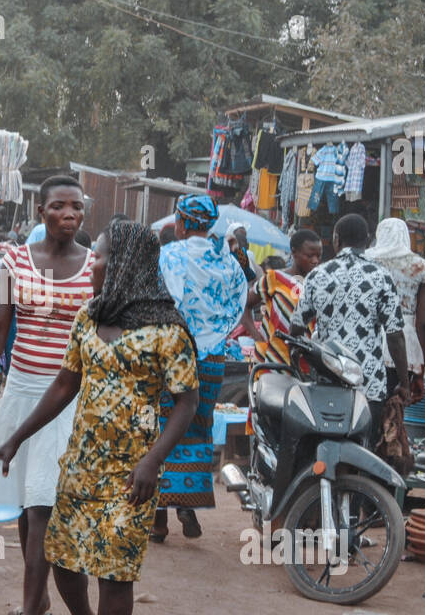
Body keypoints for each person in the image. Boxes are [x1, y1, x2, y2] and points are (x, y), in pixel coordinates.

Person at [0, 221, 198, 615]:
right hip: (80, 462)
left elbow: (186, 402)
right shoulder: (89, 319)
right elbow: (64, 385)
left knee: (116, 578)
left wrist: (153, 460)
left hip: (132, 473)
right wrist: (14, 438)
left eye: (99, 257)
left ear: (125, 265)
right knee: (63, 558)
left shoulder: (168, 329)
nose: (91, 264)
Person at [0, 175, 95, 615]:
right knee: (23, 501)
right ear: (40, 212)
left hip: (67, 398)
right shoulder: (12, 261)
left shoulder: (93, 268)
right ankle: (39, 596)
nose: (70, 215)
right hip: (22, 388)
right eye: (60, 206)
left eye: (77, 208)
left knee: (43, 500)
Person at [151, 195, 248, 542]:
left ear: (181, 221)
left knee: (161, 429)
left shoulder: (170, 255)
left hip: (173, 356)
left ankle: (158, 520)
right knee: (197, 430)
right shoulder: (227, 261)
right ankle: (187, 505)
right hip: (213, 360)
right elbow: (239, 305)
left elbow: (160, 304)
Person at [290, 213, 409, 442]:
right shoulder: (381, 277)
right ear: (367, 240)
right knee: (364, 448)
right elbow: (395, 336)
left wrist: (305, 364)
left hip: (327, 379)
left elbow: (296, 329)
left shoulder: (318, 275)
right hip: (368, 383)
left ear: (336, 239)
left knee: (323, 443)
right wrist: (404, 384)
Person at [366, 218, 425, 401]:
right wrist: (419, 370)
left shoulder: (365, 260)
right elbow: (424, 323)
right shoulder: (421, 267)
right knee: (392, 407)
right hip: (402, 344)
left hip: (364, 338)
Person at [250, 229, 322, 365]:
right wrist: (257, 336)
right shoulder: (275, 278)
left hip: (303, 364)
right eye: (310, 256)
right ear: (294, 253)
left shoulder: (319, 287)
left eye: (318, 256)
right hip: (269, 360)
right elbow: (244, 305)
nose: (315, 261)